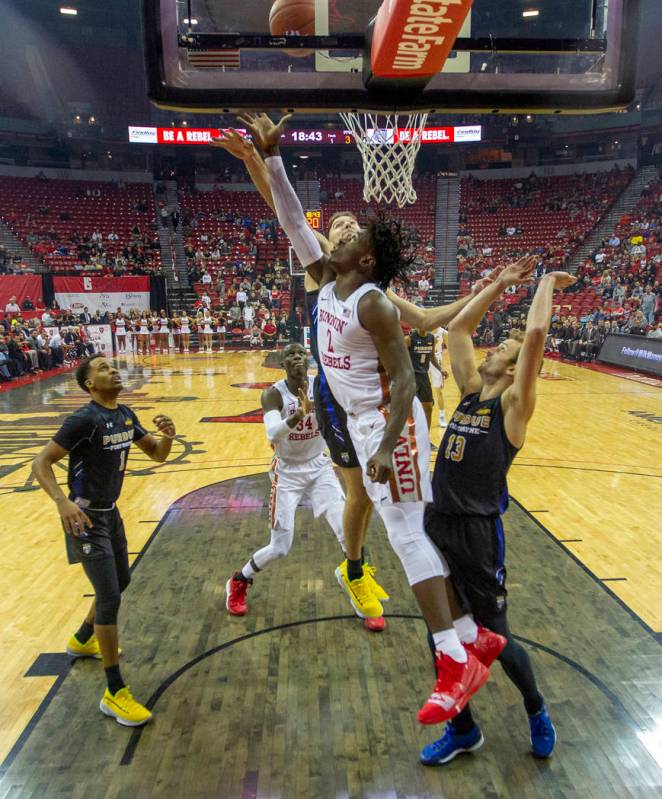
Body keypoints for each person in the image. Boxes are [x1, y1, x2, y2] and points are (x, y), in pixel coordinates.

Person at [239, 112, 495, 723]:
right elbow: (293, 220)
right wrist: (271, 158)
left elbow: (407, 378)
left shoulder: (376, 303)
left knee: (406, 533)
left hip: (389, 422)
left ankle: (454, 658)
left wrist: (383, 446)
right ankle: (471, 633)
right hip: (357, 421)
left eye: (351, 235)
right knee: (412, 532)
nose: (338, 234)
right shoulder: (327, 275)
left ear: (367, 256)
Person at [420, 263, 572, 766]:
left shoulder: (514, 408)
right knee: (440, 636)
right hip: (437, 522)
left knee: (497, 639)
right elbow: (459, 327)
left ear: (511, 370)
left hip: (477, 535)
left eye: (502, 350)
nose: (494, 348)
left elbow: (533, 334)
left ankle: (537, 709)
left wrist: (544, 283)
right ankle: (463, 730)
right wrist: (500, 285)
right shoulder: (466, 394)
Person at [31, 355, 176, 726]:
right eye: (102, 369)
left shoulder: (125, 414)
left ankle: (83, 639)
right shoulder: (83, 419)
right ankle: (114, 692)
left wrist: (168, 437)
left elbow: (157, 454)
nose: (112, 370)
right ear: (89, 384)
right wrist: (62, 503)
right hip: (84, 516)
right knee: (109, 595)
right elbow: (41, 463)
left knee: (121, 582)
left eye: (113, 366)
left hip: (110, 513)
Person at [225, 343, 347, 615]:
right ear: (282, 364)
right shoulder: (273, 395)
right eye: (290, 355)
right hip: (288, 472)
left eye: (300, 354)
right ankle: (239, 580)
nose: (296, 358)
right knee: (280, 547)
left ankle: (357, 582)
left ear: (307, 360)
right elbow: (272, 434)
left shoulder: (320, 387)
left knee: (346, 530)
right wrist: (299, 415)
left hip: (319, 467)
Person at [405, 328, 442, 436]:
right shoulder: (409, 339)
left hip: (424, 377)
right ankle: (411, 437)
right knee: (412, 409)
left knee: (428, 408)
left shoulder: (432, 338)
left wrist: (441, 369)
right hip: (411, 377)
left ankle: (425, 437)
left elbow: (432, 357)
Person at [430, 327, 449, 428]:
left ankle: (442, 416)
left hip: (437, 360)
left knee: (439, 391)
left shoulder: (443, 332)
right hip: (423, 359)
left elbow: (450, 349)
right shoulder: (424, 328)